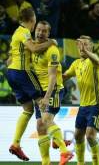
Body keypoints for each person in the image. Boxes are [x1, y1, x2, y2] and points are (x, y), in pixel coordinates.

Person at [6, 7, 56, 161]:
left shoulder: (16, 32)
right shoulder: (25, 32)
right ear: (33, 20)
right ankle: (57, 139)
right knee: (42, 101)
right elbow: (34, 48)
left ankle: (15, 143)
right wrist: (50, 42)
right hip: (22, 72)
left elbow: (8, 59)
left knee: (28, 110)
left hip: (11, 73)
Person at [32, 20, 73, 165]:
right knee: (40, 126)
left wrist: (46, 97)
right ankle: (46, 162)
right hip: (39, 91)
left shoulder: (53, 50)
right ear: (35, 29)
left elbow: (53, 76)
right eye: (38, 29)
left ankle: (64, 151)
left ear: (49, 33)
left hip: (53, 90)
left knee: (46, 120)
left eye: (44, 31)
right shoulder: (33, 46)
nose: (40, 33)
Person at [63, 35, 99, 165]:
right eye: (80, 45)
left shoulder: (93, 61)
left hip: (97, 105)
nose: (82, 47)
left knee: (90, 136)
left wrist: (86, 51)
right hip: (83, 107)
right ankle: (80, 163)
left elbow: (97, 60)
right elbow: (64, 76)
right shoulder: (76, 64)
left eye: (86, 44)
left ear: (91, 47)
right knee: (77, 136)